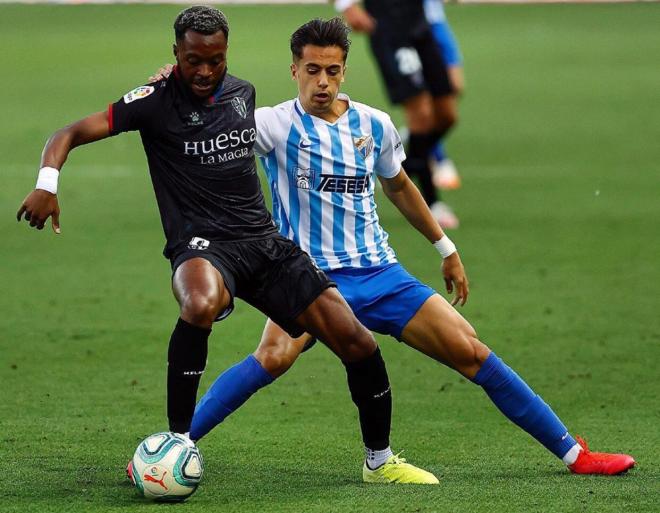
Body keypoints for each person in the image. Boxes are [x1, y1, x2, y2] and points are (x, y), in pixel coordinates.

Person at [187, 18, 635, 478]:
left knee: (472, 351)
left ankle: (574, 454)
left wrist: (445, 248)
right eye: (313, 70)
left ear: (344, 71)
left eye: (334, 71)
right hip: (310, 279)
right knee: (273, 357)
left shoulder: (372, 124)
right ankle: (176, 443)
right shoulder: (272, 125)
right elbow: (204, 119)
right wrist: (172, 83)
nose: (323, 82)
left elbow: (399, 186)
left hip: (382, 275)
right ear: (294, 70)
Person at [15, 6, 435, 484]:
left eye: (214, 60)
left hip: (263, 242)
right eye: (193, 60)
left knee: (356, 341)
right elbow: (67, 133)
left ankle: (379, 462)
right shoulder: (152, 101)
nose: (204, 71)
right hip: (201, 245)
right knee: (200, 301)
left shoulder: (241, 95)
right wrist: (47, 183)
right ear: (176, 54)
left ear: (226, 54)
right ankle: (177, 439)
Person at [335, 0, 460, 229]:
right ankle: (431, 203)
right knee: (420, 114)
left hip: (421, 24)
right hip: (390, 28)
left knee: (447, 115)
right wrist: (346, 6)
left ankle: (401, 167)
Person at [423, 0, 463, 191]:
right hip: (414, 27)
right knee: (427, 99)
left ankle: (416, 139)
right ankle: (439, 159)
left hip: (438, 24)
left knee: (455, 87)